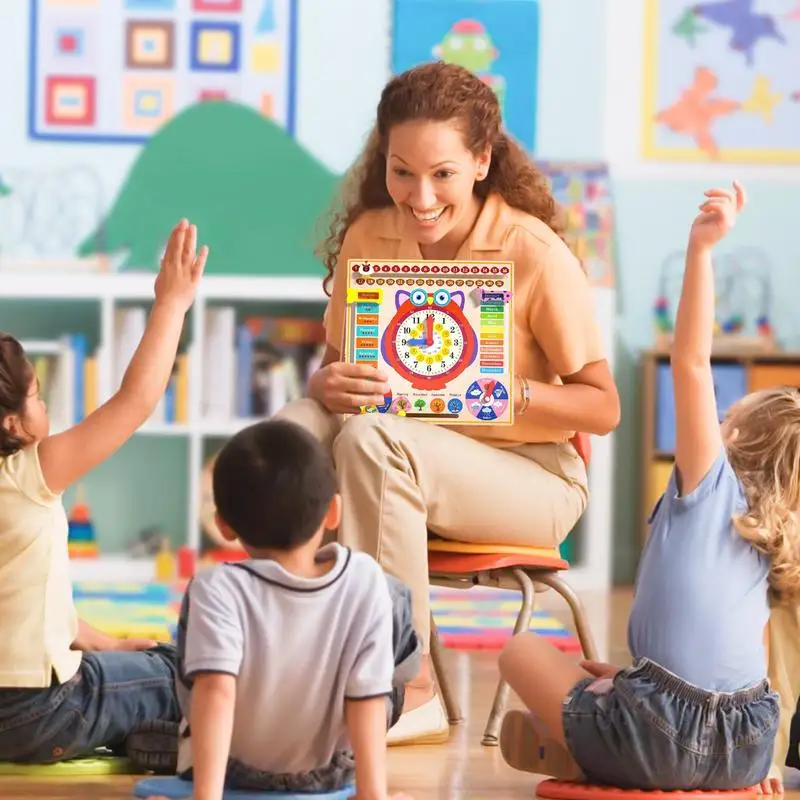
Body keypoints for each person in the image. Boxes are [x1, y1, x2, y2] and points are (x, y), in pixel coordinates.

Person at [275, 60, 620, 745]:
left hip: (529, 475)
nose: (420, 196)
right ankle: (278, 660)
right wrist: (323, 386)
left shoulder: (532, 252)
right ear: (384, 162)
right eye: (403, 171)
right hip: (398, 463)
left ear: (481, 161)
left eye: (442, 174)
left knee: (373, 441)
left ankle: (411, 688)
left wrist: (507, 390)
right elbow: (339, 371)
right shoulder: (370, 236)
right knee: (292, 431)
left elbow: (602, 407)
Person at [497, 182, 800, 794]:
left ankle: (594, 746)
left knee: (520, 652)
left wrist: (700, 251)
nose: (714, 420)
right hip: (747, 743)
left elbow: (691, 360)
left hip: (662, 729)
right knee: (606, 674)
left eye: (727, 416)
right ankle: (607, 726)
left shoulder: (712, 482)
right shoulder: (775, 528)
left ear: (738, 438)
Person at [0, 219, 207, 763]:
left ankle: (150, 735)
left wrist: (107, 643)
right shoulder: (28, 474)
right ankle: (190, 744)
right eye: (38, 397)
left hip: (29, 699)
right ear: (14, 425)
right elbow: (135, 401)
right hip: (40, 712)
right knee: (186, 667)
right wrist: (172, 305)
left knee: (120, 667)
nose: (45, 408)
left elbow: (21, 606)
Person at [142, 418, 418, 800]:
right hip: (330, 773)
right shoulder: (365, 579)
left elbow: (216, 692)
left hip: (237, 769)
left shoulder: (215, 587)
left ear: (223, 525)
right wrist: (373, 795)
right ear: (333, 512)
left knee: (198, 654)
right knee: (394, 603)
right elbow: (367, 697)